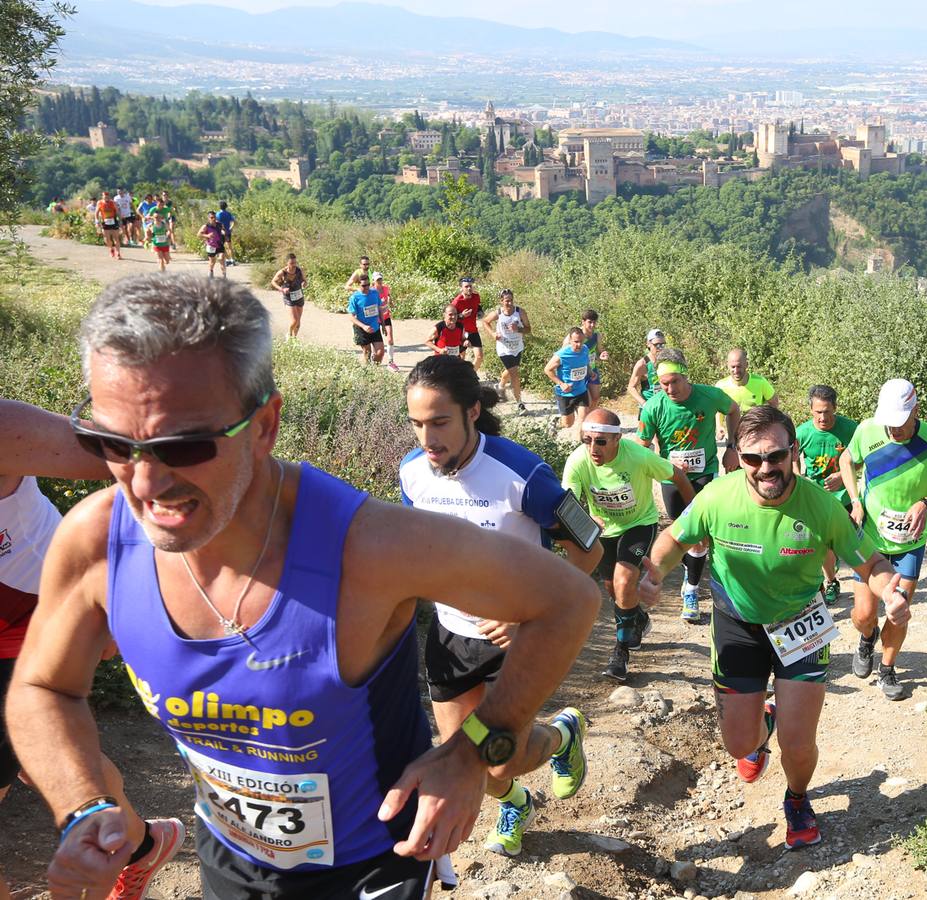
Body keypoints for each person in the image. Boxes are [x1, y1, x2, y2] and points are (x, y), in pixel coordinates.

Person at [7, 275, 600, 898]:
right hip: (229, 853)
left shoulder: (366, 546)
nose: (145, 485)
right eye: (114, 443)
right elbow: (43, 685)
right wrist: (84, 805)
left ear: (265, 425)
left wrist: (473, 751)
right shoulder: (96, 539)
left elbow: (568, 598)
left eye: (184, 446)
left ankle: (556, 739)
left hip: (375, 861)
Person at [638, 405, 909, 849]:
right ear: (736, 457)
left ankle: (798, 798)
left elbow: (872, 562)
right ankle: (763, 721)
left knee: (798, 744)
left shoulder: (821, 505)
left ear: (793, 452)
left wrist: (890, 591)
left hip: (801, 625)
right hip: (737, 626)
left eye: (776, 456)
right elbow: (675, 539)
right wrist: (654, 572)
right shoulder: (717, 497)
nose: (766, 468)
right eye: (752, 458)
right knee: (738, 744)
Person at [400, 355, 601, 858]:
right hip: (450, 633)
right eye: (417, 424)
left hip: (519, 637)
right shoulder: (412, 474)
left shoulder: (523, 473)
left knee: (496, 758)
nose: (428, 439)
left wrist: (529, 615)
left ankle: (561, 736)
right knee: (460, 758)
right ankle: (517, 804)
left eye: (440, 422)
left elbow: (590, 548)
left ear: (472, 412)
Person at [0, 400, 186, 900]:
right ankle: (141, 844)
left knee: (41, 742)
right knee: (38, 755)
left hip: (33, 620)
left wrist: (117, 588)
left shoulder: (3, 428)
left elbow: (145, 459)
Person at [840, 378, 927, 700]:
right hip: (869, 539)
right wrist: (855, 500)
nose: (894, 430)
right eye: (889, 424)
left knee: (899, 609)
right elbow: (846, 460)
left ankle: (887, 668)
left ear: (915, 411)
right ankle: (867, 638)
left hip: (909, 542)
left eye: (900, 423)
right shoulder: (867, 430)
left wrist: (926, 503)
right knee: (865, 615)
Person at [564, 408, 694, 683]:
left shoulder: (638, 456)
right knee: (614, 589)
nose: (593, 448)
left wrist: (692, 518)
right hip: (602, 530)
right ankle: (638, 618)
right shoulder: (577, 461)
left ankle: (620, 652)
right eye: (587, 440)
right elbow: (569, 506)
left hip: (639, 524)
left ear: (617, 440)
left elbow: (678, 478)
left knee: (623, 581)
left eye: (600, 441)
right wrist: (587, 517)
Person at [635, 348, 740, 623]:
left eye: (674, 382)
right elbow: (641, 447)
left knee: (698, 534)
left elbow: (733, 409)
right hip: (671, 478)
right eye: (663, 384)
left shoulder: (708, 395)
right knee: (680, 533)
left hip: (704, 474)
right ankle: (690, 570)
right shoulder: (653, 407)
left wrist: (732, 446)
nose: (669, 388)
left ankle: (691, 589)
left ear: (685, 376)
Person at [793, 385, 859, 605]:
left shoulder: (850, 428)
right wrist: (800, 479)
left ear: (835, 408)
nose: (823, 417)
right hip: (815, 497)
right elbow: (792, 459)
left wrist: (843, 474)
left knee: (841, 543)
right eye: (818, 412)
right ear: (811, 410)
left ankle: (833, 572)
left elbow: (863, 458)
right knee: (820, 544)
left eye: (827, 412)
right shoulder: (802, 432)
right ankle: (829, 582)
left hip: (844, 497)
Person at [479, 289, 530, 413]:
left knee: (510, 370)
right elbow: (485, 321)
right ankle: (519, 404)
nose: (510, 303)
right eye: (507, 301)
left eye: (511, 300)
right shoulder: (498, 313)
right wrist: (492, 334)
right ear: (501, 301)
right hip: (503, 348)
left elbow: (528, 329)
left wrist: (518, 329)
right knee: (515, 374)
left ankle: (500, 386)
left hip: (517, 347)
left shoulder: (520, 312)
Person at [714, 348, 777, 444]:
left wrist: (768, 423)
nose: (736, 370)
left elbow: (774, 402)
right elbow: (718, 410)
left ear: (746, 365)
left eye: (739, 366)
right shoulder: (721, 386)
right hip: (733, 437)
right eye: (733, 367)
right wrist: (719, 427)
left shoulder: (760, 382)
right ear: (727, 365)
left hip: (756, 436)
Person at [544, 327, 590, 436]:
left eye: (581, 341)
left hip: (581, 391)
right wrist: (561, 384)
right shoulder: (562, 354)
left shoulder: (585, 349)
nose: (579, 345)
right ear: (570, 340)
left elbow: (585, 363)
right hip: (565, 394)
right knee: (568, 424)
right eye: (576, 342)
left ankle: (582, 445)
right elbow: (547, 370)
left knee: (583, 419)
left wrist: (591, 372)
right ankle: (555, 422)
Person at [348, 273, 385, 364]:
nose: (367, 287)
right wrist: (364, 326)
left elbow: (379, 309)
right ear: (358, 285)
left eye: (368, 284)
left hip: (375, 327)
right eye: (364, 285)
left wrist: (383, 325)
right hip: (361, 329)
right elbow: (351, 317)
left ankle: (375, 370)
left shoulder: (375, 293)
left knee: (380, 353)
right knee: (367, 353)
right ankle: (367, 373)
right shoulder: (355, 297)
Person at [626, 329, 665, 411]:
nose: (660, 348)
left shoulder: (666, 360)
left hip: (664, 405)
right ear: (648, 344)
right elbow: (631, 387)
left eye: (662, 345)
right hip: (649, 408)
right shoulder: (642, 364)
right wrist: (644, 404)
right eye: (657, 345)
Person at [451, 278, 484, 374]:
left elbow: (478, 307)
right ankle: (461, 379)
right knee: (461, 359)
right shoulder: (457, 302)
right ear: (461, 288)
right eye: (466, 286)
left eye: (470, 286)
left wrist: (480, 312)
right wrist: (461, 315)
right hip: (461, 332)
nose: (469, 288)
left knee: (479, 357)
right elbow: (449, 318)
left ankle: (471, 376)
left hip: (473, 331)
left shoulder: (476, 296)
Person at [580, 310, 607, 408]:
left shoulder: (596, 335)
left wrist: (602, 355)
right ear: (583, 322)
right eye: (589, 322)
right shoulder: (576, 336)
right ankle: (584, 419)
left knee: (596, 398)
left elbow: (600, 351)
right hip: (581, 371)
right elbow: (564, 353)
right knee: (587, 401)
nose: (592, 325)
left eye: (594, 322)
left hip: (592, 369)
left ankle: (589, 420)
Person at [373, 273, 396, 364]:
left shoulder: (386, 288)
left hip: (386, 316)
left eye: (380, 279)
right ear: (374, 281)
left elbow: (388, 294)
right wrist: (379, 304)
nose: (380, 281)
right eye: (378, 280)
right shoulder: (372, 291)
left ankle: (391, 360)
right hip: (376, 318)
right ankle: (374, 357)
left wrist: (390, 301)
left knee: (390, 338)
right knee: (376, 341)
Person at [198, 212, 227, 280]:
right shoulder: (206, 226)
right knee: (212, 262)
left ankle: (224, 277)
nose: (213, 219)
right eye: (211, 217)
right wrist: (207, 235)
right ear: (208, 218)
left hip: (220, 244)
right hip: (211, 245)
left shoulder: (219, 224)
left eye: (214, 217)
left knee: (221, 259)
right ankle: (210, 272)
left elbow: (223, 230)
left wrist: (223, 232)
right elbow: (199, 234)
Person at [96, 192, 122, 260]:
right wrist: (97, 221)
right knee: (107, 239)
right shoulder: (100, 203)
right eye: (105, 196)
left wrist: (120, 220)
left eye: (107, 196)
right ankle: (111, 249)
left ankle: (118, 253)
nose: (106, 198)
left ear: (109, 197)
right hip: (105, 221)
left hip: (113, 221)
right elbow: (97, 212)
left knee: (116, 238)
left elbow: (117, 211)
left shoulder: (113, 202)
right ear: (102, 197)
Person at [216, 201, 236, 266]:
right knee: (229, 246)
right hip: (228, 232)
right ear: (226, 206)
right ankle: (232, 260)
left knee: (221, 247)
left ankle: (227, 260)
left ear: (219, 206)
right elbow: (234, 221)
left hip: (221, 232)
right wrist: (231, 228)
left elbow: (216, 223)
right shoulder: (229, 214)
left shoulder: (218, 214)